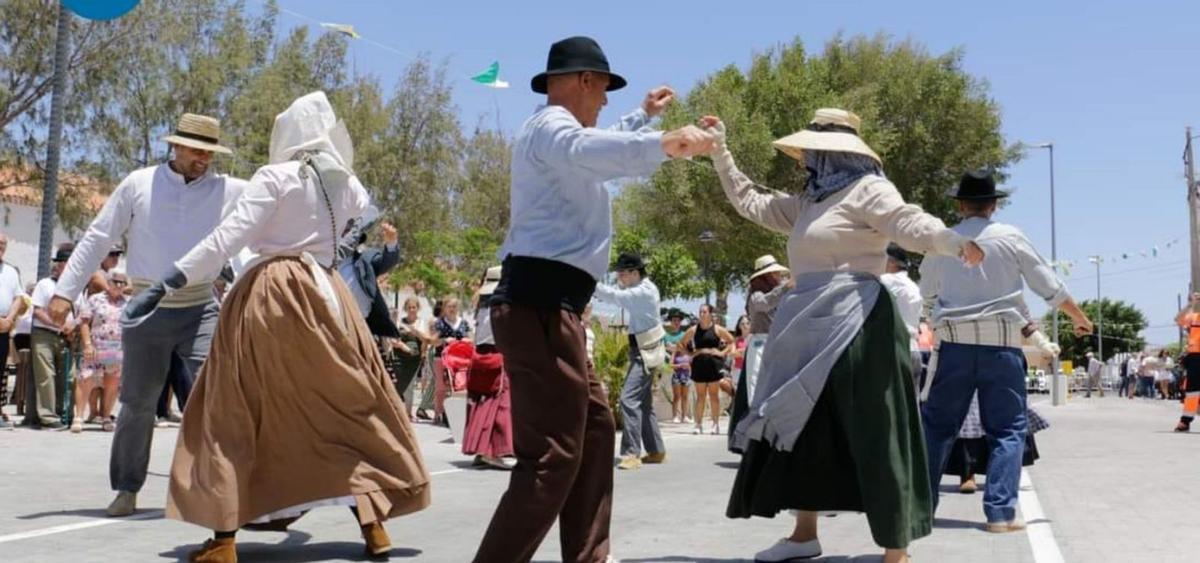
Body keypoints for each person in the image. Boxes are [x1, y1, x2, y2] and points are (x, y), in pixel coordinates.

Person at [143, 91, 429, 561]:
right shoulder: (349, 185)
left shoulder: (275, 177)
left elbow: (225, 241)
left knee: (234, 408)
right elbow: (354, 226)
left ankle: (224, 540)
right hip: (329, 294)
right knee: (347, 408)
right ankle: (374, 527)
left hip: (273, 292)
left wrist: (170, 279)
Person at [704, 109, 984, 563]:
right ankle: (804, 534)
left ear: (833, 154)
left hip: (858, 323)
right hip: (805, 325)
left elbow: (906, 220)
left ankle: (897, 548)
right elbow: (752, 201)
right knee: (804, 424)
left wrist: (950, 241)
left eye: (814, 152)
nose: (806, 161)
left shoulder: (869, 189)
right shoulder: (809, 202)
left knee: (876, 428)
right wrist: (720, 152)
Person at [475, 35, 712, 563]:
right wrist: (662, 144)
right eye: (603, 89)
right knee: (553, 455)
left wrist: (644, 118)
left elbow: (594, 143)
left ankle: (587, 557)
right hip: (539, 305)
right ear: (585, 81)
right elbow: (587, 148)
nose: (604, 100)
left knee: (598, 427)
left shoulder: (560, 135)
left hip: (552, 307)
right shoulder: (552, 129)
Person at [46, 112, 249, 517]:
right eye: (195, 149)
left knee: (212, 400)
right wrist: (66, 292)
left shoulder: (231, 191)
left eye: (209, 152)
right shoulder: (138, 184)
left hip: (201, 308)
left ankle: (221, 491)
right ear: (174, 145)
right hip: (146, 308)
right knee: (137, 403)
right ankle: (126, 487)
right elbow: (98, 236)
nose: (203, 158)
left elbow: (253, 237)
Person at [920, 170, 1091, 534]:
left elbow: (926, 295)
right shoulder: (1011, 237)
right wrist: (1079, 317)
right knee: (1007, 429)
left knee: (937, 426)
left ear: (961, 205)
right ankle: (1000, 514)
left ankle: (921, 509)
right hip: (1002, 345)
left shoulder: (942, 242)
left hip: (954, 346)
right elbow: (1048, 285)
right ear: (993, 205)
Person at [592, 252, 667, 470]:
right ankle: (656, 450)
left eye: (622, 274)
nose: (620, 278)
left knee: (628, 399)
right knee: (643, 404)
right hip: (644, 350)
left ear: (635, 272)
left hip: (645, 351)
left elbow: (612, 296)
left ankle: (631, 453)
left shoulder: (641, 292)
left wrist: (588, 280)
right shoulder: (644, 289)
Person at [728, 256, 790, 450]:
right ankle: (753, 440)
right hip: (760, 343)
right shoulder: (756, 295)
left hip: (776, 342)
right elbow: (764, 304)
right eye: (775, 273)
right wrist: (785, 288)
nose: (779, 276)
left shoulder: (777, 294)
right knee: (756, 391)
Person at [463, 266, 515, 470]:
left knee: (479, 404)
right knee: (500, 405)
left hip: (479, 358)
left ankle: (480, 450)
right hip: (498, 358)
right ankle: (494, 452)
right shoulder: (502, 308)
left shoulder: (481, 309)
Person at [71, 269, 128, 433]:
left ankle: (106, 416)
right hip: (96, 346)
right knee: (86, 379)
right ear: (108, 283)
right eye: (115, 281)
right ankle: (79, 416)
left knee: (112, 383)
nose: (118, 285)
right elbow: (84, 322)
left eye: (122, 282)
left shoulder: (127, 303)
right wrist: (88, 344)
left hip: (116, 348)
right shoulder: (95, 299)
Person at [28, 245, 78, 429]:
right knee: (46, 375)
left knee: (70, 376)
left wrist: (73, 328)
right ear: (59, 265)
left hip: (67, 336)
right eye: (66, 263)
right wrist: (58, 324)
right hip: (44, 335)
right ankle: (48, 417)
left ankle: (66, 412)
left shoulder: (75, 288)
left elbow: (81, 312)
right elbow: (38, 311)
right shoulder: (45, 284)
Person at [335, 212, 402, 338]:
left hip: (362, 326)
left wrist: (391, 243)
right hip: (331, 324)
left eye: (349, 232)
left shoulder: (366, 257)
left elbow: (386, 263)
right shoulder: (322, 260)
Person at [679, 304, 735, 436]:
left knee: (714, 396)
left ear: (710, 314)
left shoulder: (717, 329)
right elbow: (680, 344)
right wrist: (691, 354)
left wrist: (722, 353)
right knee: (700, 396)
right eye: (700, 312)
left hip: (714, 364)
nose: (702, 314)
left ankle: (715, 424)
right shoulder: (693, 330)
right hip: (699, 365)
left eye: (704, 312)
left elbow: (731, 341)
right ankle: (698, 424)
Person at [881, 244, 923, 387]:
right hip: (913, 350)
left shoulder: (885, 281)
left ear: (891, 262)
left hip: (893, 351)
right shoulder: (914, 286)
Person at [0, 232, 26, 430]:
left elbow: (19, 297)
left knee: (1, 371)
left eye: (3, 244)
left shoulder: (10, 271)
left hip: (3, 328)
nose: (1, 247)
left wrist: (9, 319)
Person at [432, 297, 471, 427]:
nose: (452, 309)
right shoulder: (440, 323)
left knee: (458, 385)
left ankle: (454, 414)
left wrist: (466, 340)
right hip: (441, 357)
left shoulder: (463, 322)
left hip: (460, 359)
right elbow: (433, 341)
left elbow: (471, 338)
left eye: (454, 306)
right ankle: (439, 413)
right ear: (445, 308)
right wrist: (444, 340)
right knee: (441, 387)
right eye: (449, 306)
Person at [393, 296, 430, 417]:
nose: (412, 310)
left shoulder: (421, 323)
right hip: (400, 357)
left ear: (418, 308)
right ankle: (399, 411)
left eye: (414, 307)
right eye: (409, 307)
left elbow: (426, 339)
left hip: (415, 358)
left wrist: (415, 331)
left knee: (410, 385)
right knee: (400, 384)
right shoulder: (400, 322)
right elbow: (395, 338)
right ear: (406, 308)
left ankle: (408, 413)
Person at [663, 309, 692, 424]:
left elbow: (687, 349)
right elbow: (665, 348)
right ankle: (675, 415)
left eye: (678, 321)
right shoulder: (666, 335)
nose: (676, 322)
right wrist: (676, 348)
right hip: (669, 367)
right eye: (674, 320)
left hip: (684, 368)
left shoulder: (684, 335)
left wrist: (674, 347)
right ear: (670, 322)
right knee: (676, 395)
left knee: (685, 395)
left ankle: (684, 416)